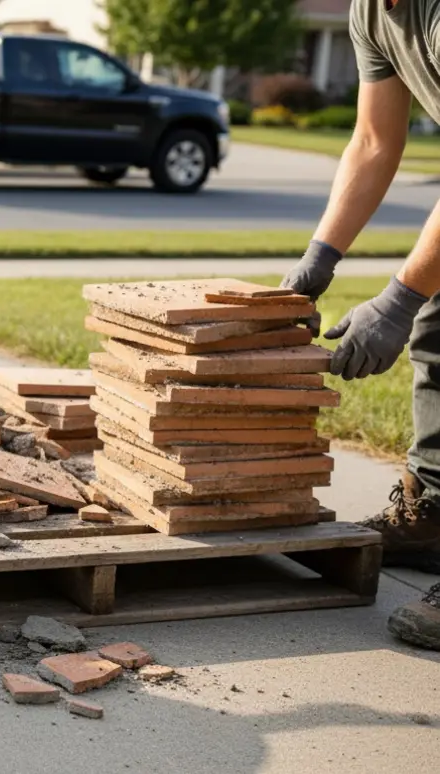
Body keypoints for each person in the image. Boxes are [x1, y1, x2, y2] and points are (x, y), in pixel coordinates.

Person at [282, 0, 440, 651]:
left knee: (421, 306)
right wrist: (318, 260)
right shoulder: (371, 12)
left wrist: (398, 299)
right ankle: (433, 516)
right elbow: (375, 140)